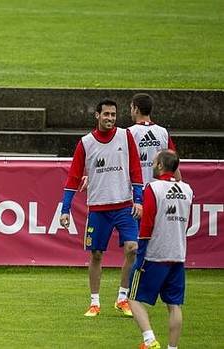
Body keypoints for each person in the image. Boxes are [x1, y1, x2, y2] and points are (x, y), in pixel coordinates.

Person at [60, 98, 143, 317]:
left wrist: (139, 199)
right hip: (98, 208)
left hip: (125, 206)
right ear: (97, 115)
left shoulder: (126, 136)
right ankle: (95, 302)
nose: (110, 118)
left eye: (113, 115)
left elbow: (135, 168)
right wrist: (65, 209)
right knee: (96, 254)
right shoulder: (86, 142)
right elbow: (73, 177)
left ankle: (122, 298)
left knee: (133, 248)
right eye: (106, 114)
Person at [128, 150, 193, 349]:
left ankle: (149, 340)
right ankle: (172, 348)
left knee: (132, 298)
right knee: (174, 305)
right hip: (178, 254)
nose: (152, 164)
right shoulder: (187, 189)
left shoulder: (153, 188)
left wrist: (140, 257)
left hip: (155, 255)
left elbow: (147, 226)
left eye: (154, 161)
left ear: (160, 165)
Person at [128, 93, 181, 184]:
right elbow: (174, 162)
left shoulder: (129, 133)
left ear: (136, 109)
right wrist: (179, 182)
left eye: (131, 108)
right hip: (160, 188)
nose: (131, 111)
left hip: (138, 189)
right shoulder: (163, 132)